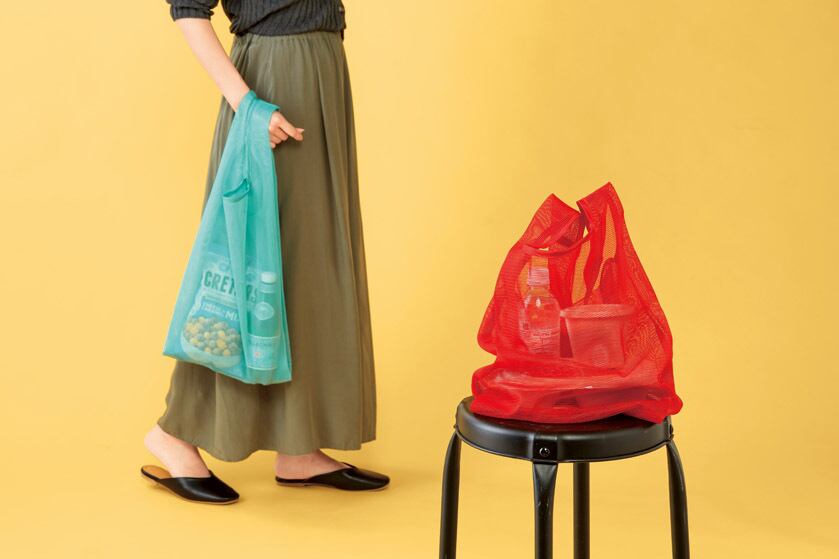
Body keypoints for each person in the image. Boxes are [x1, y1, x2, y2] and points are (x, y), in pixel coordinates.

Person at [141, 0, 388, 504]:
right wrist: (246, 103)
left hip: (321, 79)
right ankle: (174, 435)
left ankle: (298, 446)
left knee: (307, 267)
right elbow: (187, 8)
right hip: (273, 87)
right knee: (251, 267)